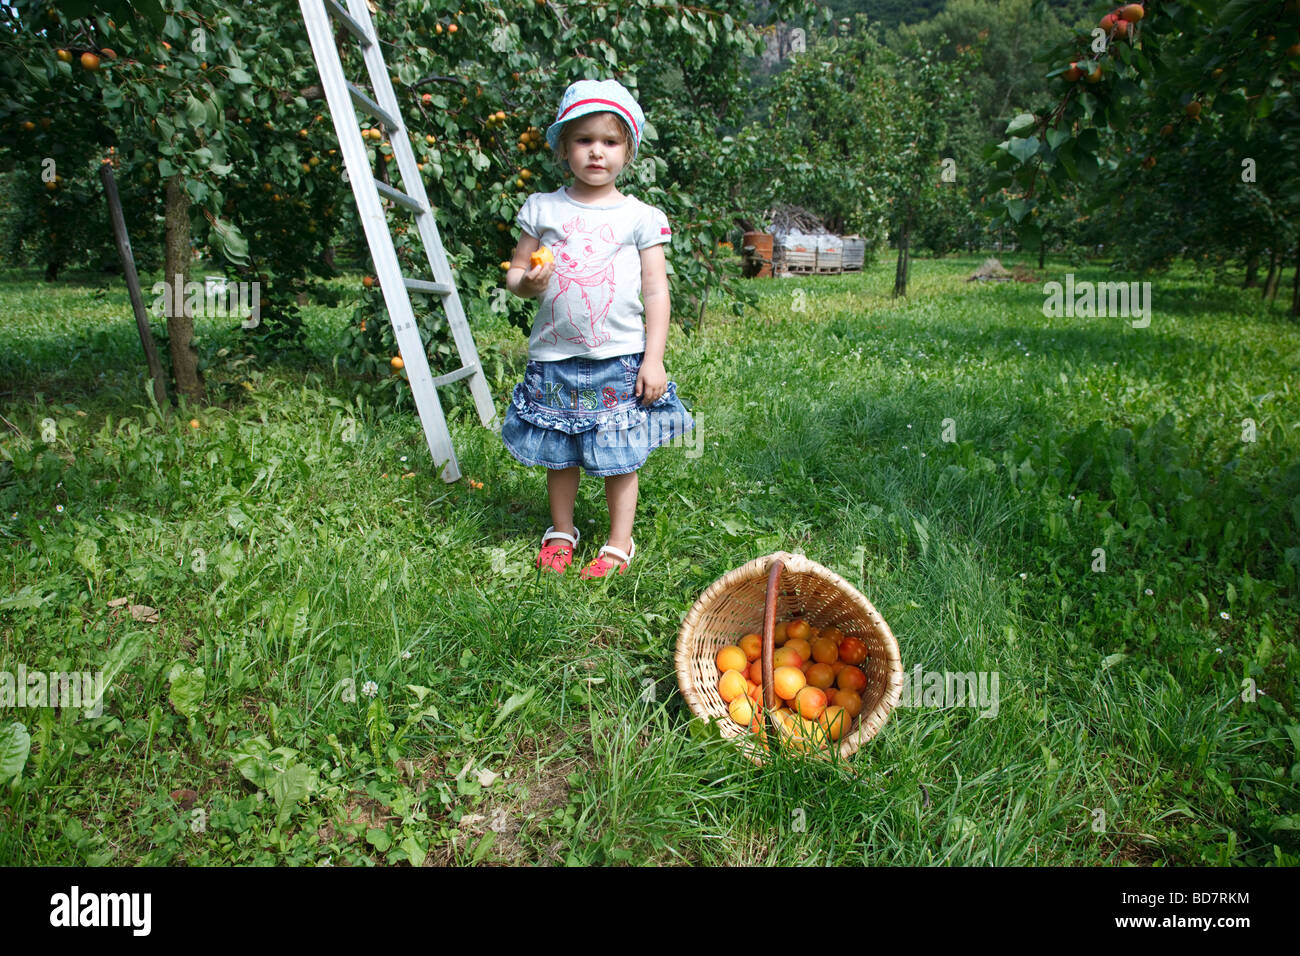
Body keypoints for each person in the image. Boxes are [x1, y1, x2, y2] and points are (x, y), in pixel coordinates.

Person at [501, 78, 694, 579]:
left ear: (628, 151)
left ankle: (617, 543)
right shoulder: (543, 208)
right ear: (564, 148)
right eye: (584, 140)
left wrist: (653, 358)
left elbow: (656, 291)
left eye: (609, 142)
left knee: (620, 454)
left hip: (620, 357)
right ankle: (561, 531)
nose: (596, 152)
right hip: (554, 357)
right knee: (559, 448)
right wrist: (530, 283)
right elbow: (516, 274)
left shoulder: (639, 217)